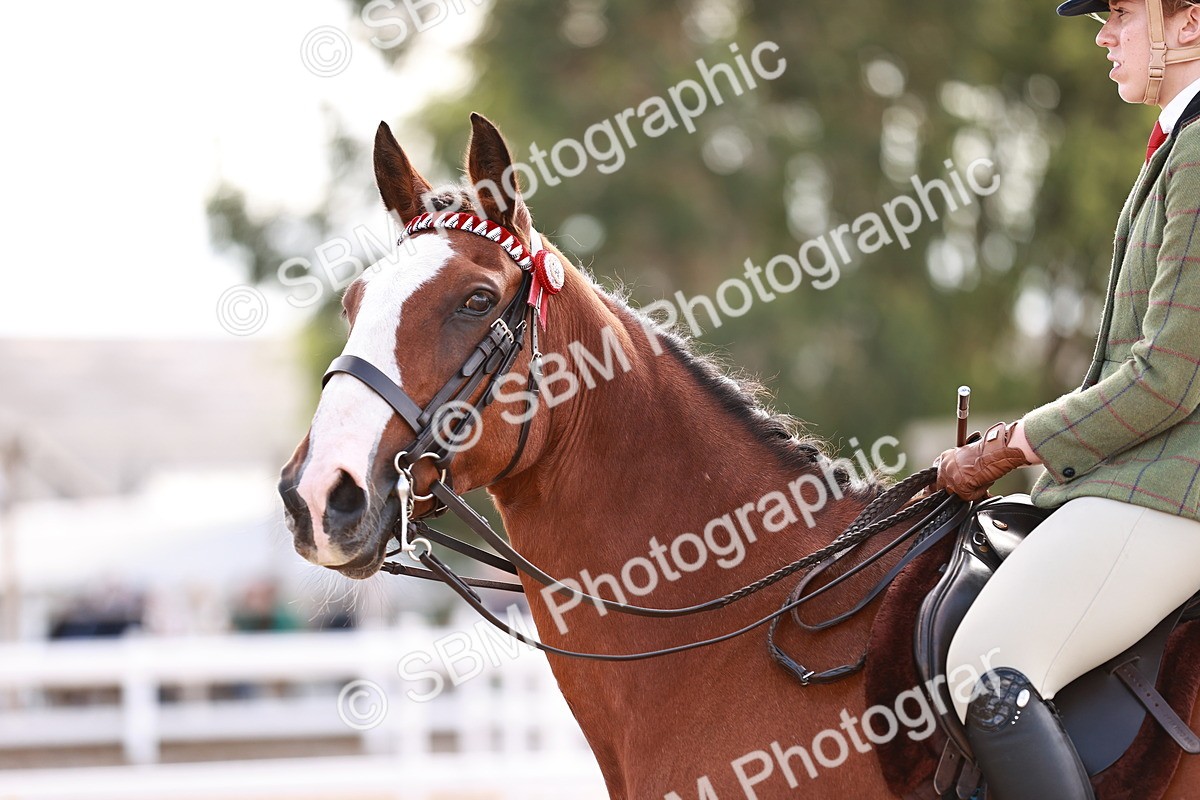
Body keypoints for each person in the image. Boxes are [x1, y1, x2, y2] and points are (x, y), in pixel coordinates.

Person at [935, 0, 1200, 797]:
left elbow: (1168, 377)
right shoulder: (1177, 146)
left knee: (989, 665)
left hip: (1173, 488)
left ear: (1188, 23)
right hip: (1147, 478)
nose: (1102, 33)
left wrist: (1013, 444)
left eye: (1121, 13)